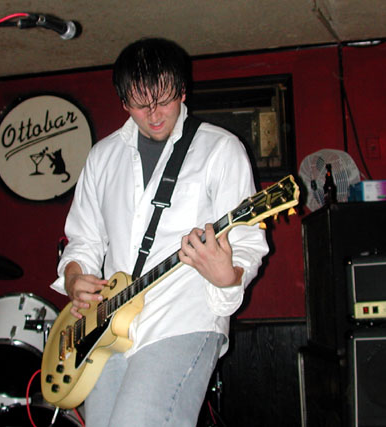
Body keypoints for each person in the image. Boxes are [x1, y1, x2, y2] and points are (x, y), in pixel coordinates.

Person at [51, 37, 269, 427]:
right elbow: (84, 238)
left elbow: (248, 242)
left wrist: (228, 276)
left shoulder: (220, 150)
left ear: (183, 91)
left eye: (164, 100)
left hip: (182, 319)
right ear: (123, 103)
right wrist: (72, 278)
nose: (153, 115)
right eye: (139, 103)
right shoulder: (102, 157)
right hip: (106, 329)